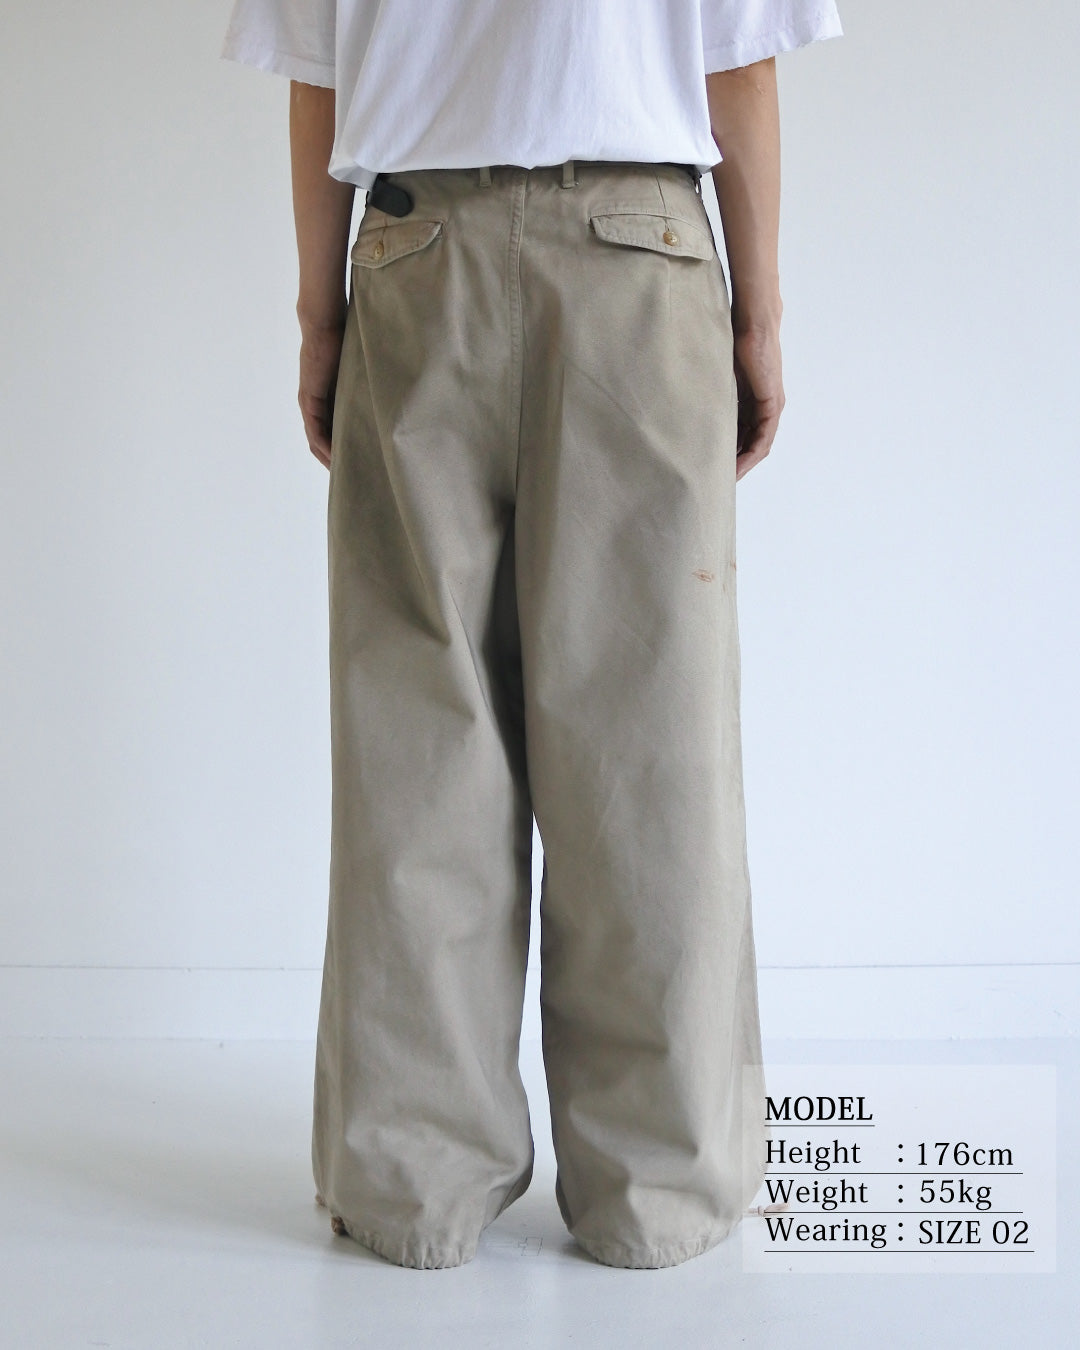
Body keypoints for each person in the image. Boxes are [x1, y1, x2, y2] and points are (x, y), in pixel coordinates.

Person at [220, 0, 843, 1271]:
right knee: (650, 738)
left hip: (415, 252)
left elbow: (317, 80)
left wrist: (320, 317)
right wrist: (760, 314)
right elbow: (738, 65)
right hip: (640, 257)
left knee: (416, 730)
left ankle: (413, 1182)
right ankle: (660, 1186)